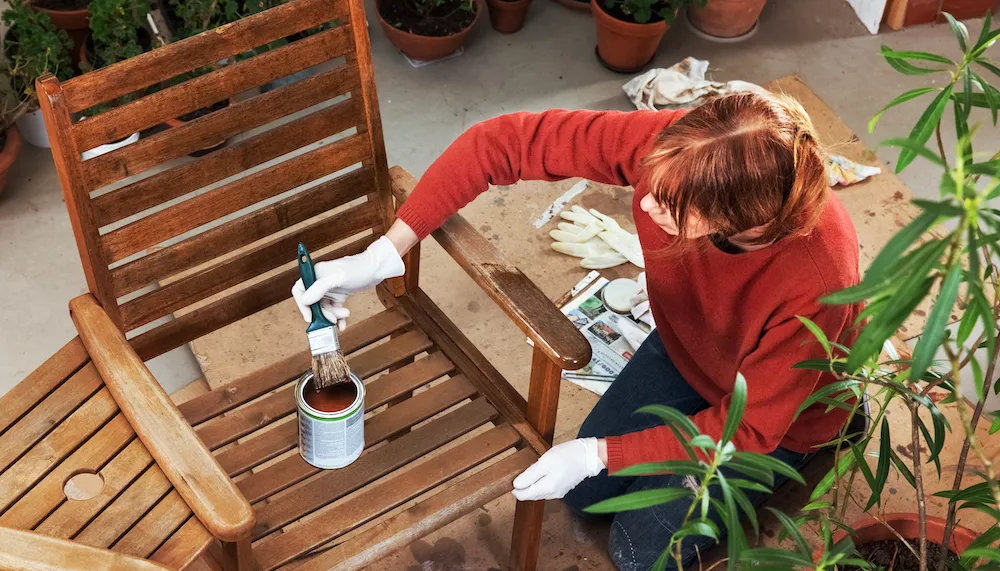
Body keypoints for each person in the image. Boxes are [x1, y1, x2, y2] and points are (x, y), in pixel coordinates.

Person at [291, 91, 860, 571]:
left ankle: (825, 439)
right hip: (691, 351)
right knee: (587, 496)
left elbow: (750, 427)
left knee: (637, 552)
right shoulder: (686, 152)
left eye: (670, 208)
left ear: (736, 221)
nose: (645, 201)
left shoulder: (817, 277)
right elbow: (501, 143)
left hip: (772, 418)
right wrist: (385, 252)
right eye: (652, 184)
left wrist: (598, 453)